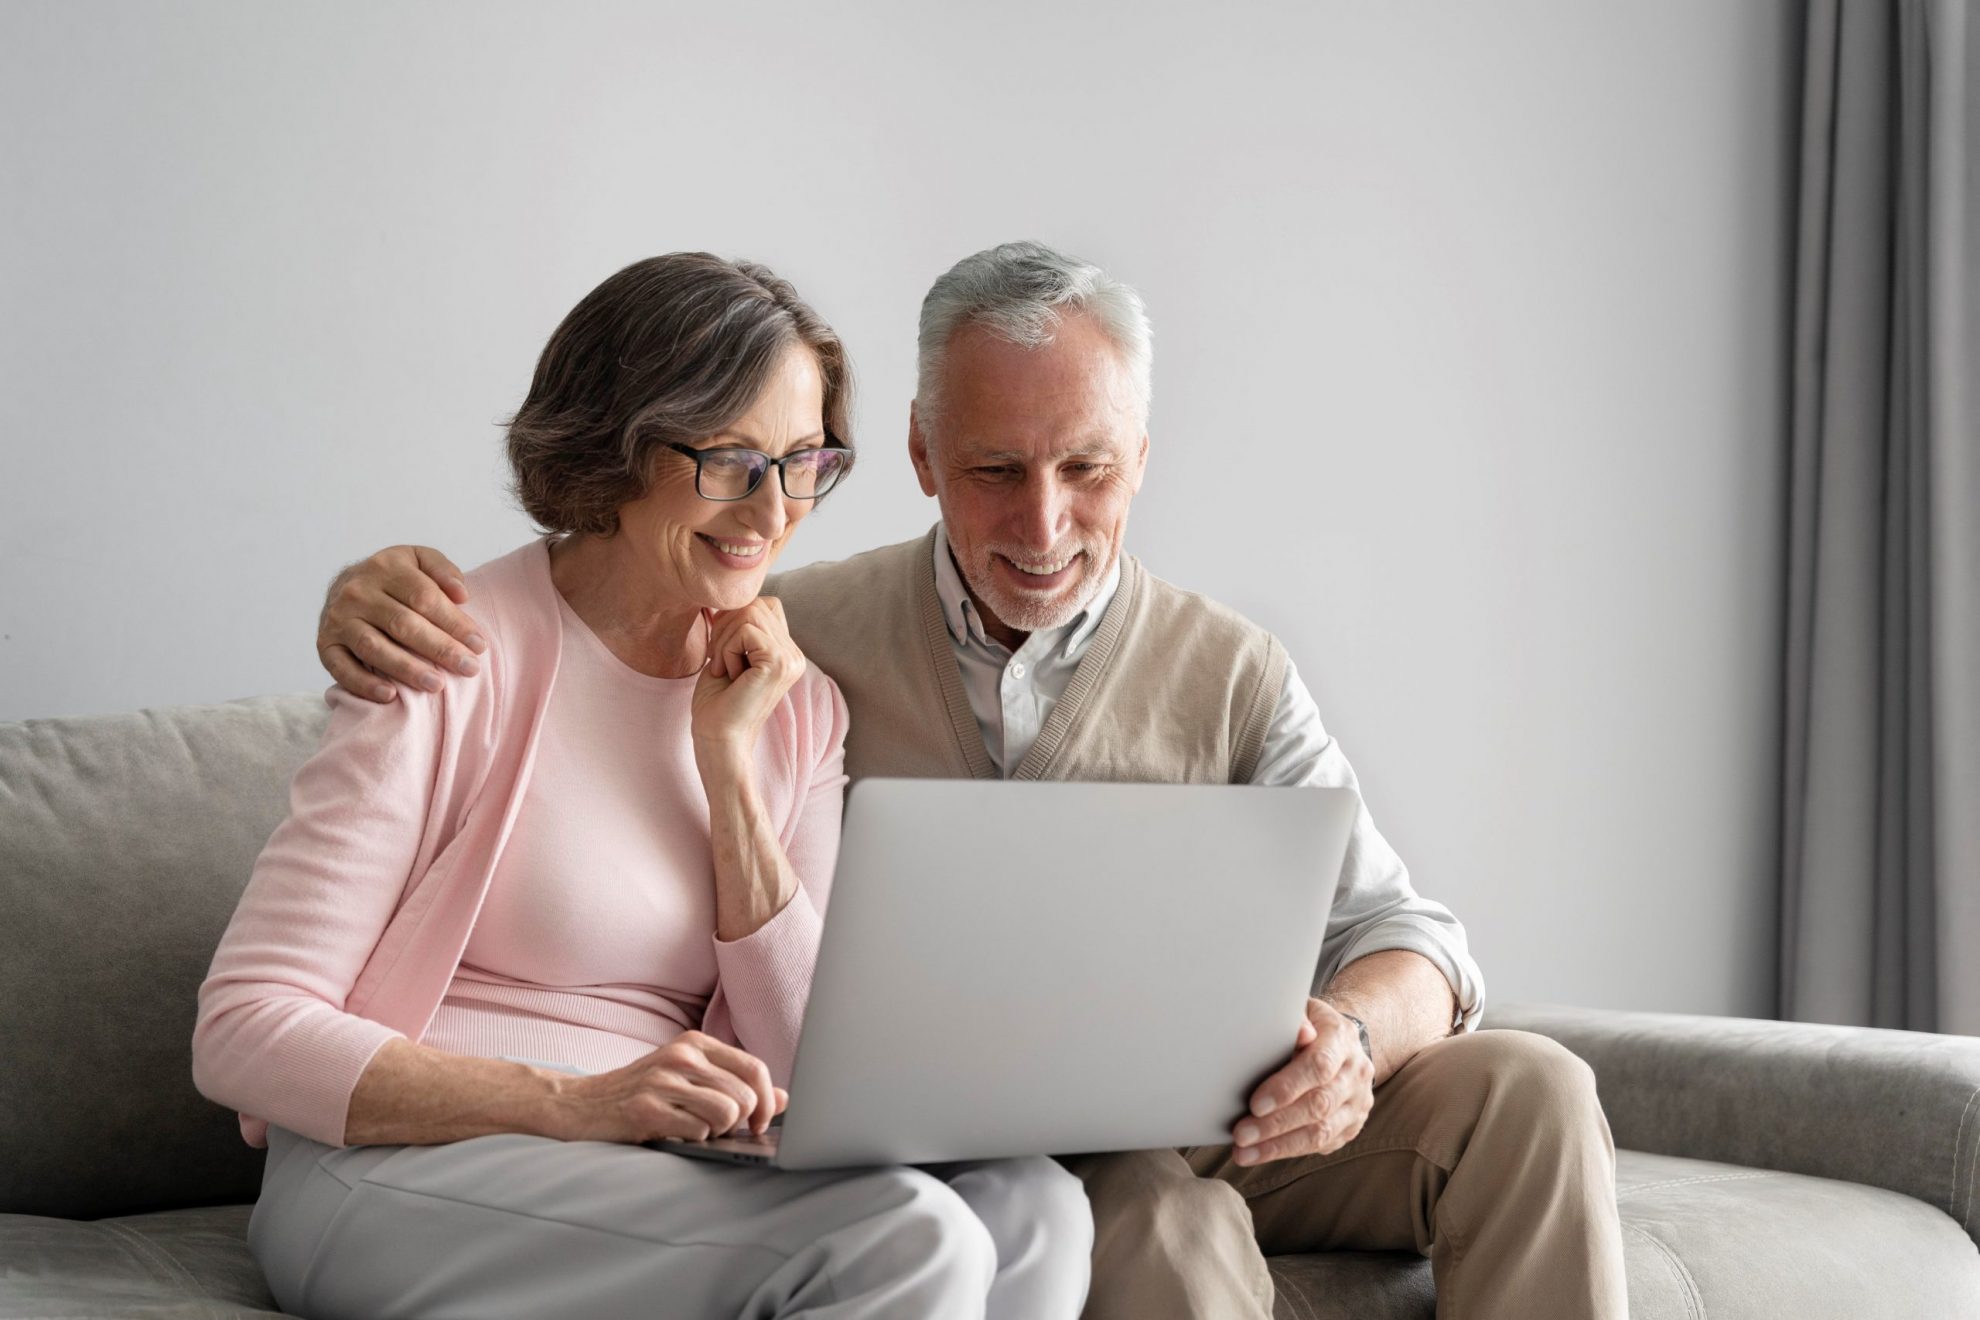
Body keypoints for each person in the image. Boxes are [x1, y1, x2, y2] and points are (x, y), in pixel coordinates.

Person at [315, 241, 1630, 1319]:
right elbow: (604, 586)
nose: (1043, 523)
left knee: (1533, 1091)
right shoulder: (783, 633)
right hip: (1004, 1150)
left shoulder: (1233, 670)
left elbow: (1411, 934)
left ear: (1141, 461)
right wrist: (373, 598)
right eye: (997, 470)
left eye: (1086, 469)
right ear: (923, 459)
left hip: (1232, 1108)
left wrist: (1350, 1038)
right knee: (1155, 1232)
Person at [194, 253, 1093, 1320]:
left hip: (655, 1159)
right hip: (399, 1169)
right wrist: (577, 1105)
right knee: (904, 1240)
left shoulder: (795, 708)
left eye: (805, 462)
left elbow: (813, 1062)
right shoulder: (444, 653)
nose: (773, 510)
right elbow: (243, 1029)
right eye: (730, 461)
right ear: (616, 447)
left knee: (1035, 1207)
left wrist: (730, 775)